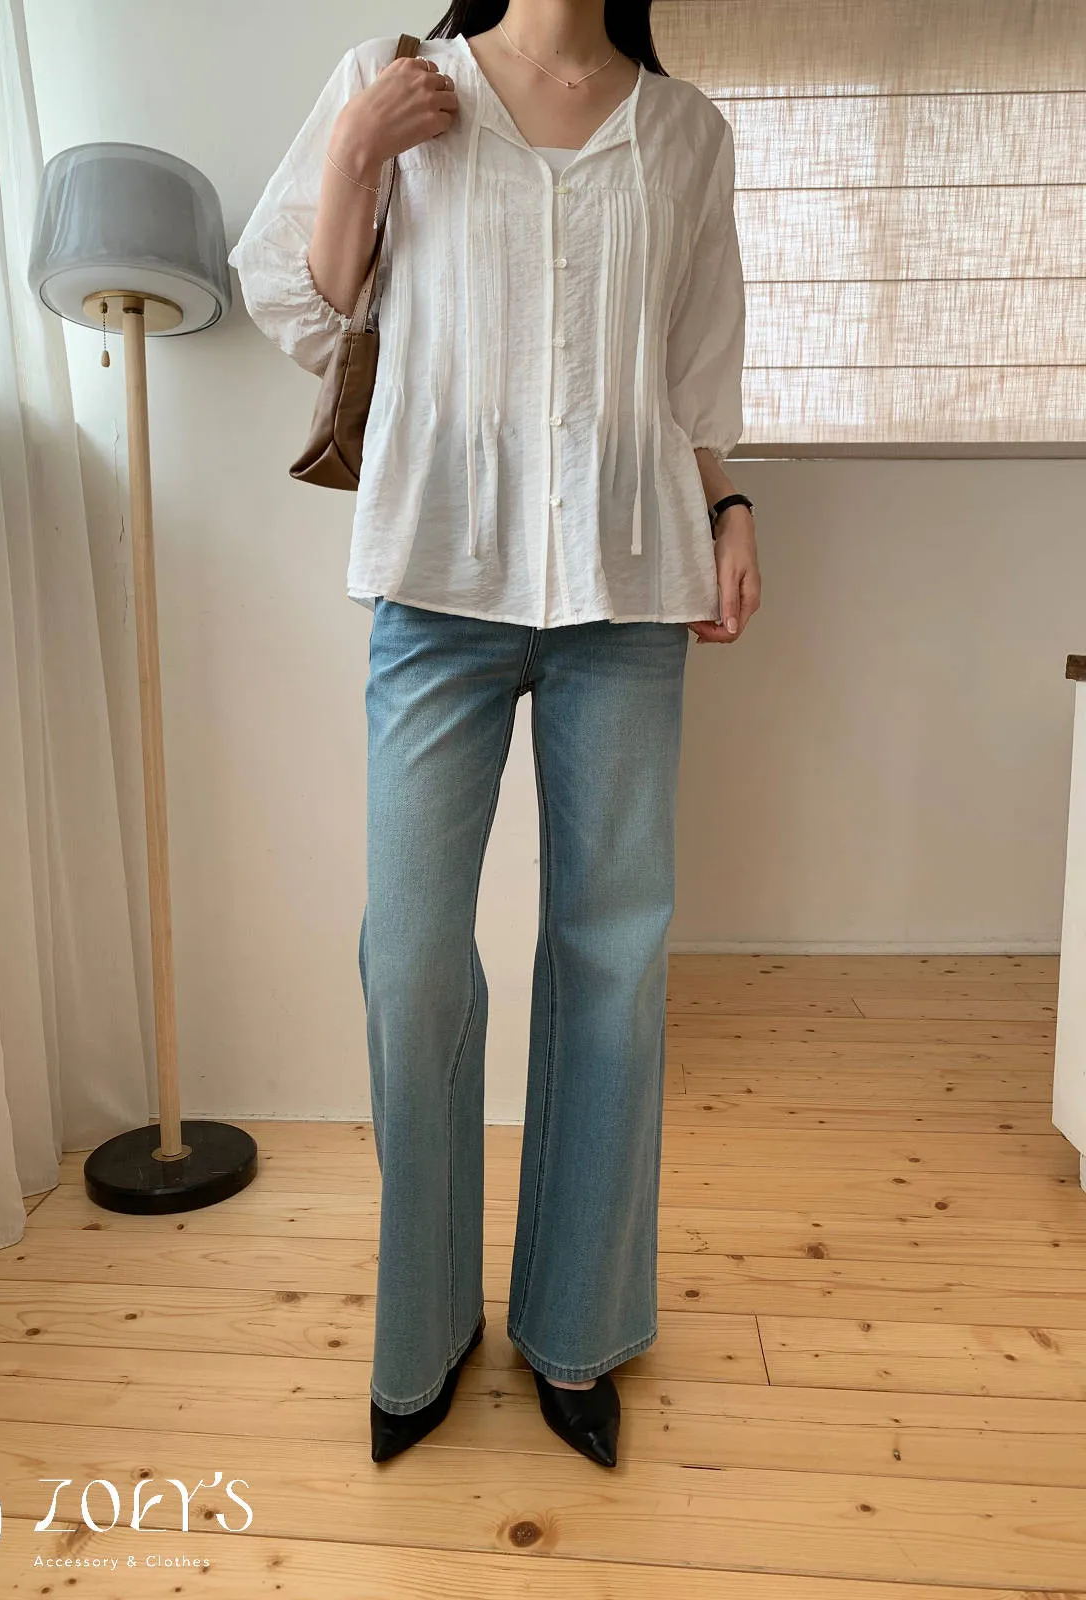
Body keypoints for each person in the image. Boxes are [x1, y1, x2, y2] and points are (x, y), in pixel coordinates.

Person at [228, 0, 761, 1470]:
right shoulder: (394, 84)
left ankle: (578, 1328)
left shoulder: (685, 131)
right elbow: (304, 309)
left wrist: (728, 505)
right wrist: (355, 153)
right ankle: (424, 1330)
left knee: (612, 961)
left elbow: (695, 363)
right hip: (439, 580)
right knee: (409, 962)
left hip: (629, 584)